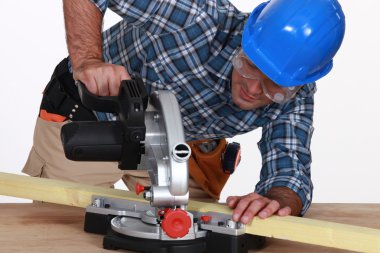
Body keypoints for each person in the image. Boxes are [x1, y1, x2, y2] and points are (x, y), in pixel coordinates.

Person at [23, 0, 345, 225]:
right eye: (250, 66)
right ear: (248, 35)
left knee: (198, 231)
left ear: (299, 83)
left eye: (273, 87)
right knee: (62, 230)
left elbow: (289, 171)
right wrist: (88, 60)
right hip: (92, 117)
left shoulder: (295, 95)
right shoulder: (195, 17)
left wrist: (279, 203)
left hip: (171, 139)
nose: (252, 89)